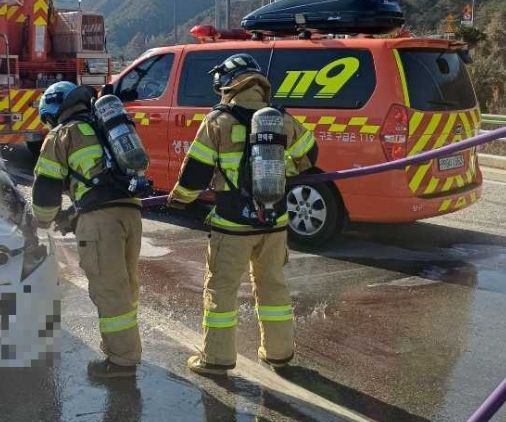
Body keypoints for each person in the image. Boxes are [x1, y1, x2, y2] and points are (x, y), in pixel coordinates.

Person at [167, 53, 318, 376]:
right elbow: (310, 156)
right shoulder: (281, 117)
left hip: (232, 225)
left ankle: (217, 358)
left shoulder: (218, 120)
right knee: (273, 287)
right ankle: (278, 353)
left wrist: (179, 199)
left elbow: (195, 173)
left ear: (226, 84)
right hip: (275, 223)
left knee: (221, 291)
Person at [31, 81, 143, 380]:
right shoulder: (103, 128)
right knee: (126, 284)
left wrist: (40, 224)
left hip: (101, 220)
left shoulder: (62, 134)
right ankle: (125, 348)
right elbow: (100, 181)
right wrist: (72, 215)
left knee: (109, 289)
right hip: (130, 211)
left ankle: (121, 362)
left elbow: (46, 189)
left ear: (54, 108)